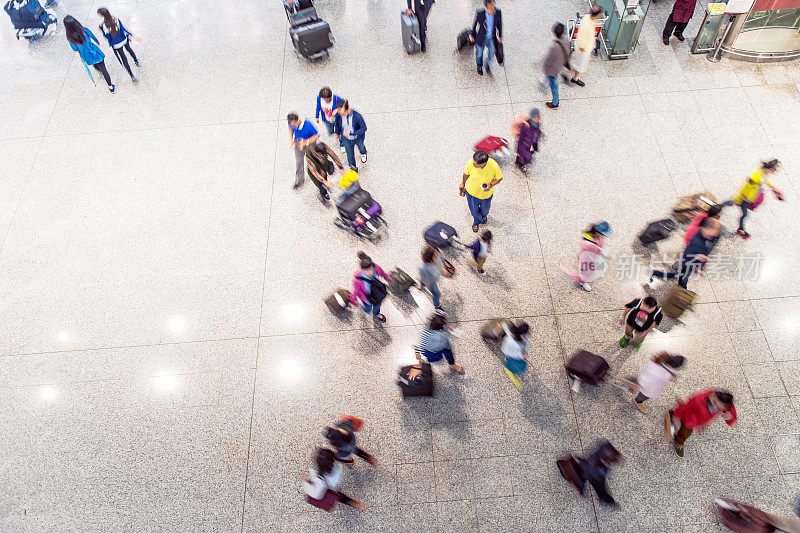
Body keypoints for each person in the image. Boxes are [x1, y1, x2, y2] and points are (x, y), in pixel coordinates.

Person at [649, 216, 721, 290]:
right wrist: (697, 267)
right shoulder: (697, 243)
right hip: (687, 264)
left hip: (690, 262)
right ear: (708, 228)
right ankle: (657, 274)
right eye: (715, 230)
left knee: (680, 276)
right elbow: (688, 256)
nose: (716, 233)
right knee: (678, 276)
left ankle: (681, 286)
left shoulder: (702, 234)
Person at [665, 389, 737, 457]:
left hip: (698, 420)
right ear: (714, 397)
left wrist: (730, 417)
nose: (716, 408)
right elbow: (686, 407)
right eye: (715, 404)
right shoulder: (698, 400)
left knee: (684, 428)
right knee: (685, 432)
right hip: (689, 419)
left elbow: (731, 411)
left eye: (720, 408)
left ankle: (674, 414)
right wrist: (677, 415)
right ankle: (678, 441)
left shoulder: (724, 403)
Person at [300, 448, 367, 511]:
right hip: (335, 481)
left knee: (339, 496)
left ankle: (355, 503)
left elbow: (317, 495)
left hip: (330, 488)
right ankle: (356, 504)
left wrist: (305, 481)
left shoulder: (320, 479)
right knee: (340, 496)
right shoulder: (334, 465)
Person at [733, 159, 784, 239]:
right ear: (769, 168)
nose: (773, 172)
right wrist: (738, 199)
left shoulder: (764, 173)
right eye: (773, 170)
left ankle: (740, 228)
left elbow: (766, 180)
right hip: (744, 198)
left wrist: (772, 187)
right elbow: (746, 187)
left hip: (750, 197)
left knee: (744, 213)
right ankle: (740, 229)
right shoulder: (756, 175)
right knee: (745, 214)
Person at [620, 352, 684, 414]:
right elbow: (648, 379)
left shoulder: (662, 359)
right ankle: (637, 401)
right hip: (650, 387)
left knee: (637, 381)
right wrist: (638, 384)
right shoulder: (661, 373)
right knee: (643, 395)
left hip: (647, 379)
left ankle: (626, 379)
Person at [64, 15, 115, 93]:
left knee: (95, 64)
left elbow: (74, 49)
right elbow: (92, 36)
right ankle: (110, 86)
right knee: (104, 68)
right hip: (95, 52)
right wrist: (97, 41)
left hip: (86, 55)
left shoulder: (70, 37)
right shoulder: (84, 30)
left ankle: (100, 71)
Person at [562, 221, 613, 292]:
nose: (605, 236)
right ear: (599, 232)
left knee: (590, 272)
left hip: (593, 259)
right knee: (584, 274)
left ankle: (581, 279)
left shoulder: (599, 237)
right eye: (605, 234)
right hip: (586, 260)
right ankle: (571, 275)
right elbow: (586, 246)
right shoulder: (588, 242)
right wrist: (597, 250)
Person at [459, 151, 503, 233]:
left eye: (476, 164)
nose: (473, 164)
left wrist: (490, 185)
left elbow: (499, 178)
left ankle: (483, 216)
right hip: (472, 192)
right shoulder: (470, 163)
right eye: (473, 162)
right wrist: (463, 183)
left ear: (484, 163)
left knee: (485, 210)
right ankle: (476, 222)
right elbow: (466, 174)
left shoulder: (493, 165)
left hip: (486, 195)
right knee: (474, 210)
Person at [570, 440, 622, 506]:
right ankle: (607, 501)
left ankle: (604, 499)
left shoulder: (604, 448)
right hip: (593, 473)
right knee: (600, 488)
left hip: (587, 467)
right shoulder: (595, 471)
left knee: (585, 479)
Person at [97, 7, 139, 84]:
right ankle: (136, 61)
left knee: (124, 59)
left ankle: (132, 76)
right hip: (123, 39)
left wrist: (102, 30)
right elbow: (122, 29)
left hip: (116, 44)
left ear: (102, 15)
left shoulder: (103, 25)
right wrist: (129, 35)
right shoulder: (116, 19)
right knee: (129, 49)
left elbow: (107, 36)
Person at [350, 252, 392, 323]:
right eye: (367, 270)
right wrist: (354, 302)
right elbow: (355, 292)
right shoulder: (358, 280)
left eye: (371, 269)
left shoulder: (376, 268)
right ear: (362, 270)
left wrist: (389, 280)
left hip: (377, 295)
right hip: (366, 299)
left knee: (377, 306)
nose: (371, 271)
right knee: (368, 309)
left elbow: (383, 274)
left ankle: (377, 314)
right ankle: (362, 306)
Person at [570, 5, 603, 87]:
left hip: (585, 47)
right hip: (583, 49)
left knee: (580, 64)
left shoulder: (588, 17)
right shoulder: (587, 24)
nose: (601, 15)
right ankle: (573, 77)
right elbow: (581, 37)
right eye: (600, 13)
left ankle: (575, 77)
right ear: (598, 14)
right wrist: (583, 49)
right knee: (581, 65)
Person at [468, 0, 502, 76]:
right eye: (492, 6)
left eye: (494, 5)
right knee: (479, 54)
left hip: (491, 38)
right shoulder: (480, 14)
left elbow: (499, 25)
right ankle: (479, 66)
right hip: (481, 38)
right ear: (487, 6)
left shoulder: (498, 13)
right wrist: (472, 35)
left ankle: (487, 64)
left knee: (492, 52)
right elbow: (475, 25)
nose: (494, 7)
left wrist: (500, 36)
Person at [541, 22, 570, 109]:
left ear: (554, 33)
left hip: (553, 70)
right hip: (560, 66)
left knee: (553, 84)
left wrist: (544, 68)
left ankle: (555, 102)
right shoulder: (567, 41)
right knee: (551, 81)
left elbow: (548, 60)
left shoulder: (554, 47)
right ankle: (544, 85)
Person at [287, 113, 319, 190]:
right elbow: (290, 127)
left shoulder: (308, 125)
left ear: (297, 120)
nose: (292, 125)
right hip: (298, 142)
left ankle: (318, 178)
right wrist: (292, 139)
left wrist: (305, 142)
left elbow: (316, 135)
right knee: (299, 162)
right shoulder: (291, 122)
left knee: (312, 161)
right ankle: (299, 181)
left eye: (293, 124)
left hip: (309, 143)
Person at [334, 100, 368, 172]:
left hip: (357, 138)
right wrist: (338, 133)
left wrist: (352, 133)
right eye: (339, 111)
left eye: (342, 112)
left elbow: (364, 128)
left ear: (347, 109)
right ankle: (353, 170)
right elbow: (337, 124)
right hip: (346, 139)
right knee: (350, 156)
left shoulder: (357, 116)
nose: (340, 113)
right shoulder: (339, 115)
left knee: (361, 147)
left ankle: (363, 153)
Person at [419, 244, 444, 312]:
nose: (438, 257)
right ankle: (437, 306)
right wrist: (422, 284)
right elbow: (426, 280)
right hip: (431, 282)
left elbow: (442, 260)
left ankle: (421, 284)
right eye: (435, 256)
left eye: (437, 254)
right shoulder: (424, 268)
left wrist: (443, 270)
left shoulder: (439, 253)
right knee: (437, 294)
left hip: (433, 276)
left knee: (423, 278)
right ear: (429, 258)